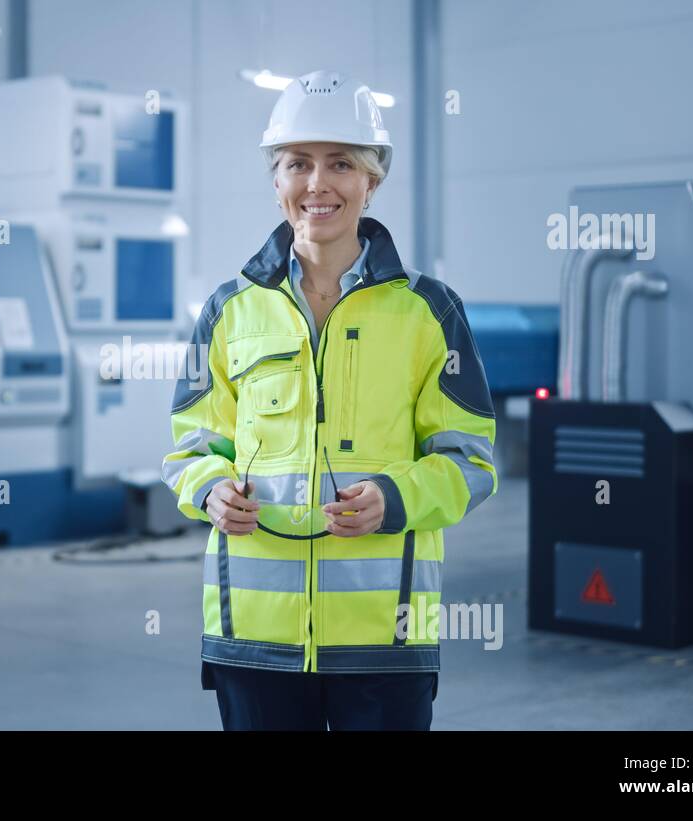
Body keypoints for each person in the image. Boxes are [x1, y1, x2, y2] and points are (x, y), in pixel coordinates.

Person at [162, 70, 498, 730]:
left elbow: (472, 460)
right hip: (253, 635)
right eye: (298, 164)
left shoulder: (428, 311)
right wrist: (209, 489)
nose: (317, 184)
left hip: (384, 638)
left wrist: (396, 497)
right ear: (277, 178)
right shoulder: (228, 310)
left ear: (372, 179)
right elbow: (190, 446)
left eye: (340, 163)